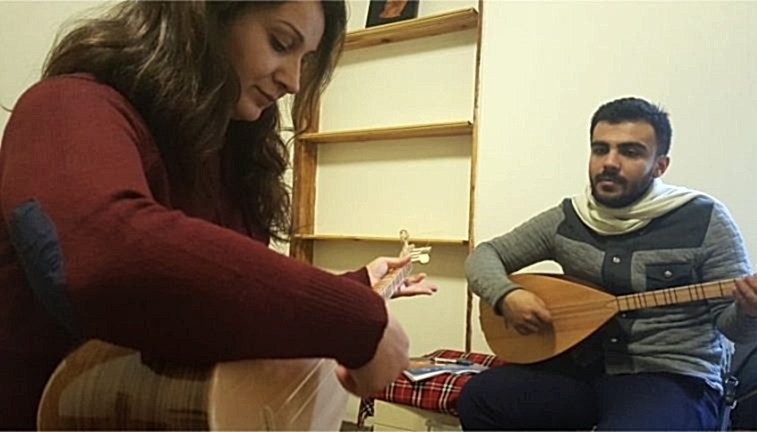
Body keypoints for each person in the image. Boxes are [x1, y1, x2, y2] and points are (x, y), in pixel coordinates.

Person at [0, 1, 438, 429]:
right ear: (206, 14)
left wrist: (356, 285)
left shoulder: (230, 156)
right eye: (280, 42)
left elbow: (217, 293)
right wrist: (355, 319)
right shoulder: (63, 105)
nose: (294, 82)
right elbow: (107, 254)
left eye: (305, 60)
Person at [458, 97, 757, 431]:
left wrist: (754, 309)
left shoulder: (705, 220)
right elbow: (484, 256)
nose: (609, 162)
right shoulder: (568, 218)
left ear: (660, 165)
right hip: (581, 369)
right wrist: (506, 295)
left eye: (630, 152)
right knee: (481, 397)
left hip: (671, 377)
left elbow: (733, 328)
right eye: (600, 149)